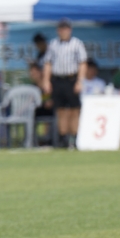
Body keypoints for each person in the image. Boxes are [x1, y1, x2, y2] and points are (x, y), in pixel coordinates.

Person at [41, 18, 87, 149]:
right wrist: (46, 81)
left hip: (71, 79)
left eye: (66, 29)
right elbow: (48, 63)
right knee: (61, 110)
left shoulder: (77, 44)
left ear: (70, 30)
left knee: (74, 110)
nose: (63, 32)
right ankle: (63, 138)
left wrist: (80, 81)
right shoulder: (54, 44)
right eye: (61, 29)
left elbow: (82, 63)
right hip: (58, 79)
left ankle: (74, 137)